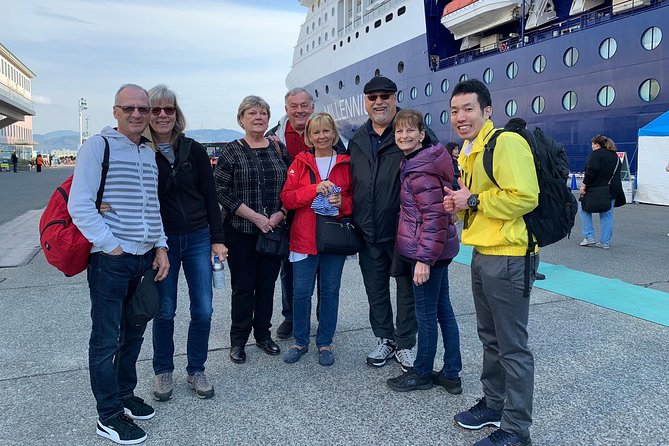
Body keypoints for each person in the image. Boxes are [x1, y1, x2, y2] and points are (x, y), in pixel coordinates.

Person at [69, 84, 170, 445]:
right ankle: (108, 415)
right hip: (112, 261)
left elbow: (152, 206)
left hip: (143, 259)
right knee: (106, 339)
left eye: (143, 109)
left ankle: (125, 394)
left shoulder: (147, 151)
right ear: (115, 111)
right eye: (129, 108)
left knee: (134, 333)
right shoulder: (99, 146)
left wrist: (161, 247)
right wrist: (111, 246)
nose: (137, 114)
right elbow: (79, 204)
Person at [443, 79, 538, 446]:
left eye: (468, 109)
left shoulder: (505, 143)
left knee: (512, 345)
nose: (460, 117)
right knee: (490, 338)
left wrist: (475, 202)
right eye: (454, 111)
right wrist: (459, 207)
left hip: (510, 256)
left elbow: (525, 196)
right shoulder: (470, 150)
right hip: (483, 253)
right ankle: (494, 404)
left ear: (487, 111)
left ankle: (516, 429)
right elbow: (474, 200)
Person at [348, 75, 437, 371]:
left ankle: (405, 343)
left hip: (403, 232)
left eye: (385, 95)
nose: (379, 101)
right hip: (368, 231)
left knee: (406, 291)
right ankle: (384, 338)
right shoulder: (357, 139)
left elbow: (438, 170)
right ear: (366, 101)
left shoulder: (410, 131)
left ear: (395, 97)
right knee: (375, 290)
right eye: (372, 97)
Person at [146, 85, 228, 401]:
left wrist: (217, 240)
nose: (163, 115)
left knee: (204, 309)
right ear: (149, 115)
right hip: (162, 242)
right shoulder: (141, 151)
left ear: (176, 114)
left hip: (197, 237)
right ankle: (163, 371)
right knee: (165, 310)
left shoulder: (193, 149)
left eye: (169, 109)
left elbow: (210, 196)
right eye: (156, 110)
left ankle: (196, 369)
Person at [385, 109, 463, 393]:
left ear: (421, 134)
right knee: (443, 310)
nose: (403, 136)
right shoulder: (424, 162)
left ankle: (422, 373)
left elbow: (433, 217)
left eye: (409, 131)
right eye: (399, 132)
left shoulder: (420, 170)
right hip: (439, 250)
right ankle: (452, 374)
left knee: (427, 314)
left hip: (428, 252)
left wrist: (423, 260)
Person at [215, 95, 290, 364]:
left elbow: (291, 186)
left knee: (267, 285)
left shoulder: (278, 149)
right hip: (241, 230)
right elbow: (221, 190)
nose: (258, 118)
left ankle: (263, 334)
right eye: (252, 113)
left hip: (274, 229)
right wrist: (256, 217)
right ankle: (238, 340)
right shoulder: (232, 151)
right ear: (241, 119)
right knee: (244, 287)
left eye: (262, 113)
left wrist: (281, 213)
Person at [279, 112, 352, 366]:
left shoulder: (345, 162)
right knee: (301, 293)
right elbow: (287, 198)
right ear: (309, 137)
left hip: (334, 239)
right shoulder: (300, 162)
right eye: (316, 132)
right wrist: (313, 190)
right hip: (304, 237)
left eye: (326, 131)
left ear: (334, 133)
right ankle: (300, 341)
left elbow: (355, 200)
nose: (322, 136)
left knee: (330, 292)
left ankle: (325, 342)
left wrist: (342, 202)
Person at [266, 88, 315, 340]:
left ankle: (318, 313)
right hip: (288, 211)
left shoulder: (325, 132)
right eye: (294, 106)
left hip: (318, 211)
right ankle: (291, 316)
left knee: (319, 268)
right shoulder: (273, 137)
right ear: (286, 109)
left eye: (304, 105)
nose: (299, 110)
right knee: (289, 268)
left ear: (312, 107)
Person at [578, 135, 626, 249]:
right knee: (607, 214)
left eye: (592, 144)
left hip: (595, 189)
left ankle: (589, 236)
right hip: (612, 189)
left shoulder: (596, 154)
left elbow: (591, 171)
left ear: (597, 144)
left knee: (583, 209)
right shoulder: (615, 156)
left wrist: (584, 185)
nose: (591, 146)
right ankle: (605, 242)